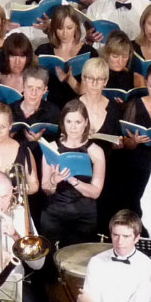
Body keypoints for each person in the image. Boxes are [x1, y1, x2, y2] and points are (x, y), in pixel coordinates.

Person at [39, 99, 107, 248]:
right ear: (63, 123)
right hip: (54, 214)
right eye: (69, 122)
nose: (73, 127)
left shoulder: (96, 151)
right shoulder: (51, 148)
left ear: (86, 123)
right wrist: (54, 181)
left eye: (78, 122)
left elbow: (95, 192)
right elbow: (46, 189)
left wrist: (73, 180)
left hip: (84, 216)